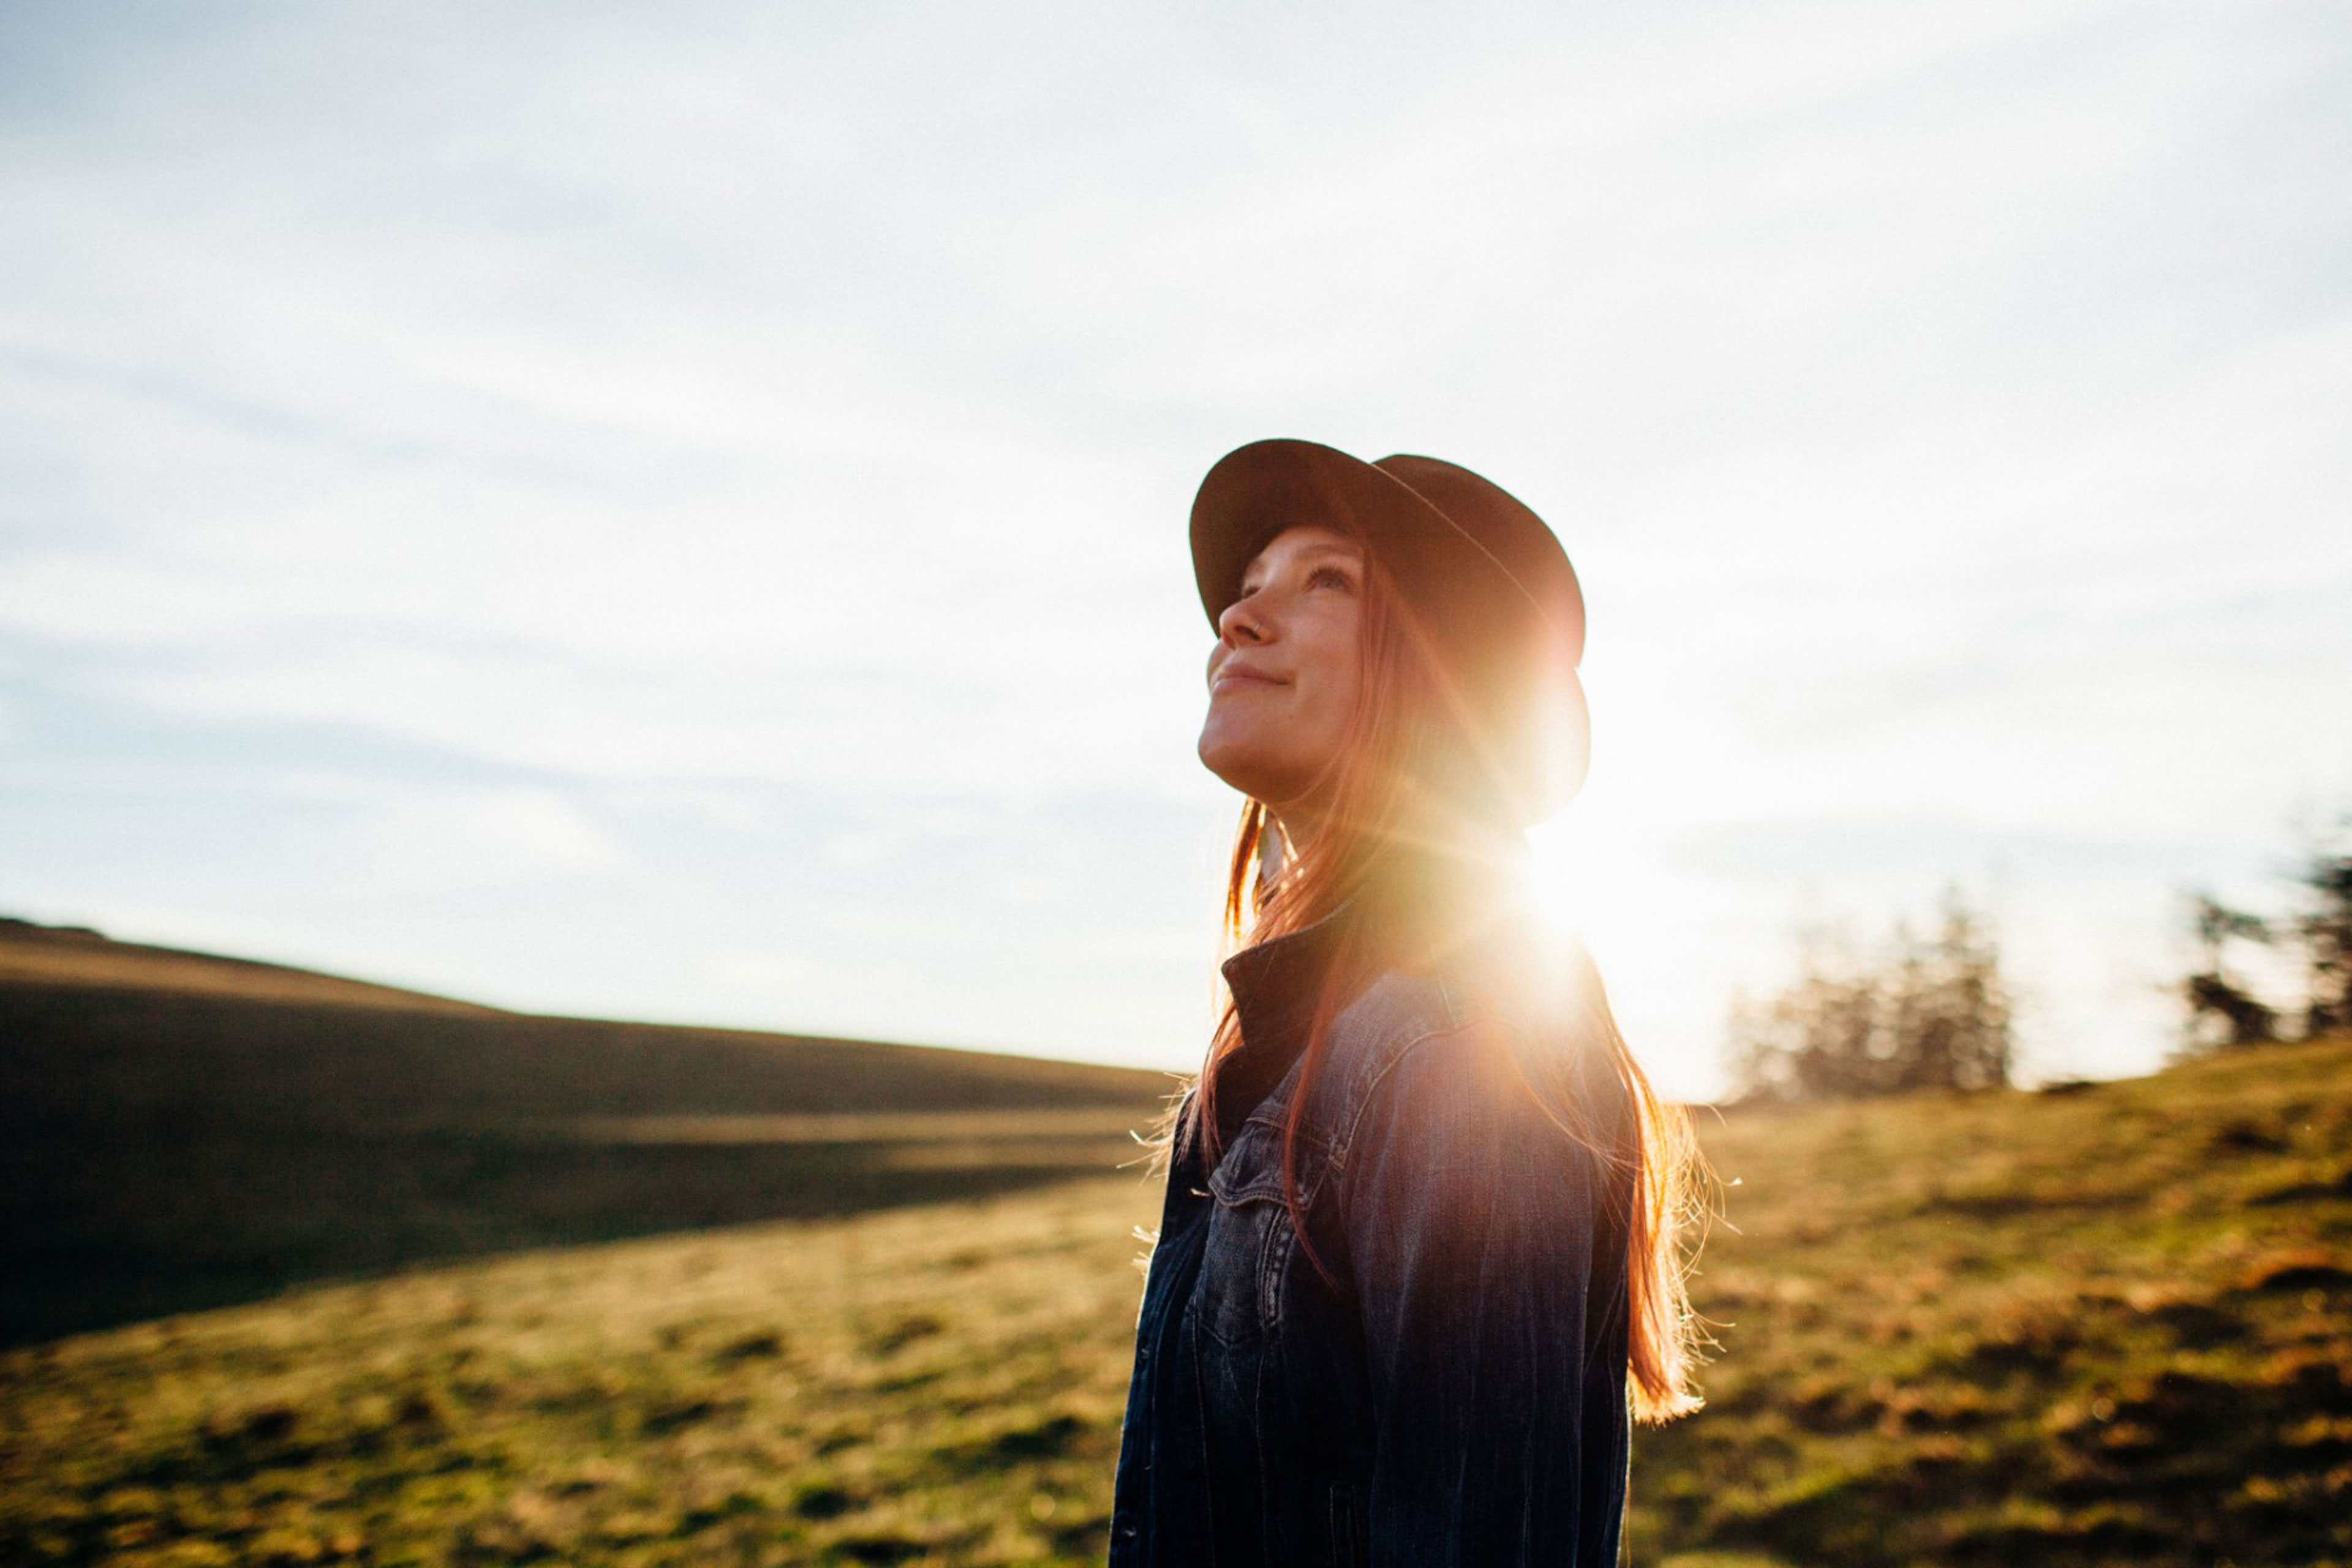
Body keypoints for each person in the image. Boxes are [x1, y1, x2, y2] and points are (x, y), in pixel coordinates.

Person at [1108, 439, 1705, 1566]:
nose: (1237, 622)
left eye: (1324, 581)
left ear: (1443, 673)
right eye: (1244, 592)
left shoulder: (1460, 1047)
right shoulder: (1296, 1043)